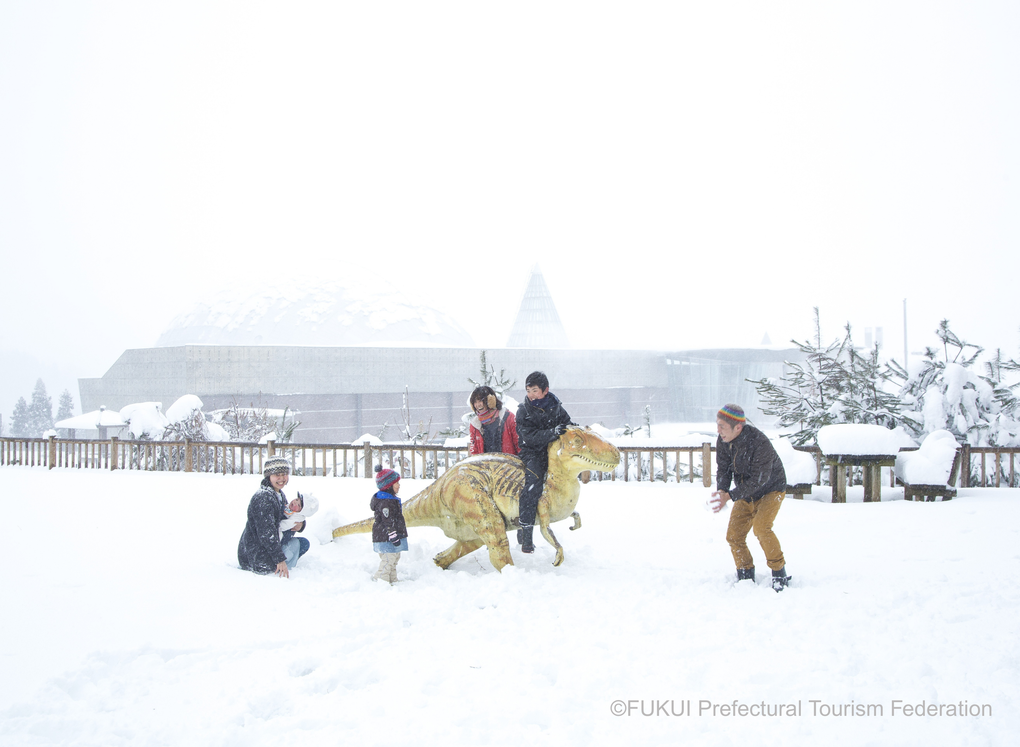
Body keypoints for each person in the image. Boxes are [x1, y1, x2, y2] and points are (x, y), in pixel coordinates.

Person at [709, 404, 791, 591]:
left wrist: (731, 495)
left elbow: (760, 479)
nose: (718, 430)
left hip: (771, 489)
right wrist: (722, 490)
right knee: (734, 535)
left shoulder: (759, 442)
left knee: (762, 528)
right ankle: (745, 573)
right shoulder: (723, 441)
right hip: (746, 491)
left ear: (738, 427)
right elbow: (724, 469)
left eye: (722, 426)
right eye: (717, 424)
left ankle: (779, 573)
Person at [515, 371, 573, 554]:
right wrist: (552, 433)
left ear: (545, 390)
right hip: (532, 453)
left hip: (552, 453)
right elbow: (529, 437)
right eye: (528, 390)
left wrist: (573, 430)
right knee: (533, 484)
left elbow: (567, 424)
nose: (531, 395)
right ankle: (526, 533)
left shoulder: (556, 406)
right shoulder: (523, 410)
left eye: (534, 390)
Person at [237, 456, 310, 577]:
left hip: (265, 547)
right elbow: (266, 533)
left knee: (303, 544)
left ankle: (281, 562)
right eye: (277, 475)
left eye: (284, 474)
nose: (282, 478)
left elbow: (287, 516)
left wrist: (301, 524)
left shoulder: (278, 494)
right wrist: (279, 559)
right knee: (298, 545)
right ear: (268, 476)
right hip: (256, 556)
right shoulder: (263, 498)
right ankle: (278, 570)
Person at [371, 465, 409, 584]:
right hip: (386, 537)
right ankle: (380, 579)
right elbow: (388, 521)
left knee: (394, 559)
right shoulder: (386, 503)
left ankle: (392, 580)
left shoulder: (391, 500)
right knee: (388, 559)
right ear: (388, 486)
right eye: (396, 483)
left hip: (391, 537)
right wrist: (393, 536)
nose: (399, 485)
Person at [466, 385, 520, 456]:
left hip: (508, 465)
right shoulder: (475, 425)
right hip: (485, 466)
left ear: (491, 400)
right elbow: (474, 452)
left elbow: (519, 444)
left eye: (481, 401)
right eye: (475, 402)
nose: (478, 405)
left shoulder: (508, 418)